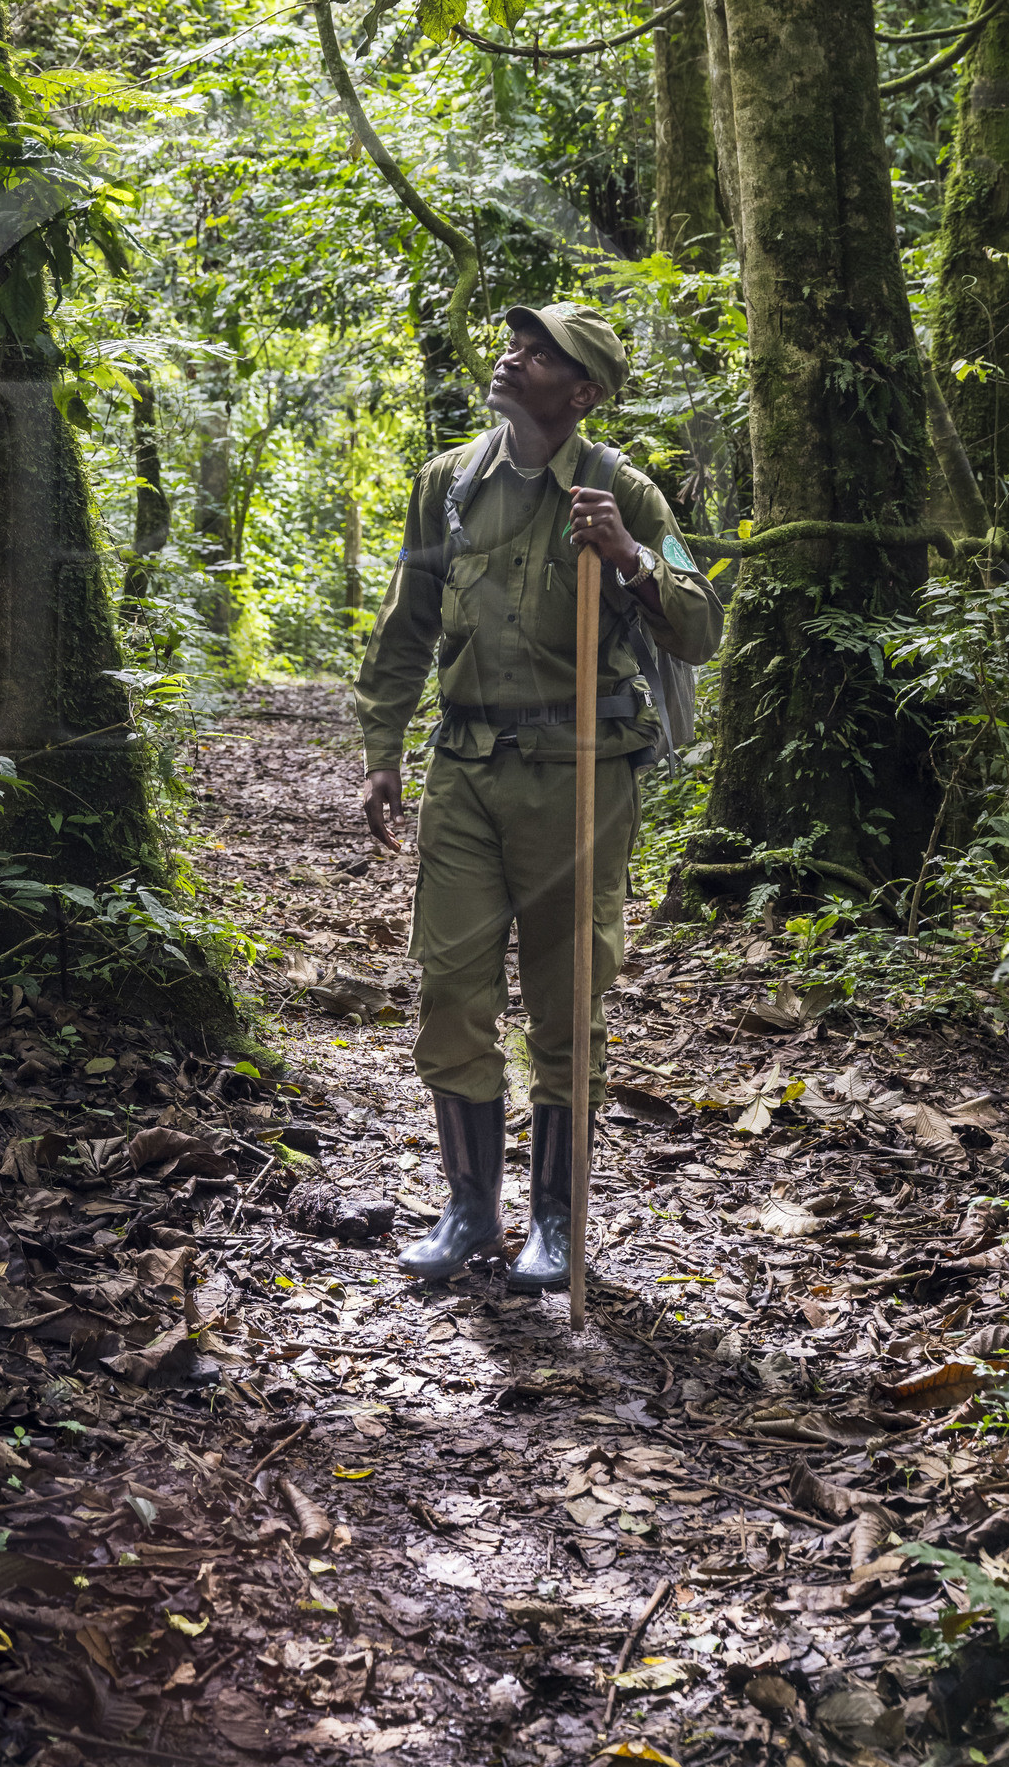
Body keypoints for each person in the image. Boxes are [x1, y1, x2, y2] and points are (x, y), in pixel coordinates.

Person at [354, 303, 725, 1290]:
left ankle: (554, 1224)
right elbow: (405, 625)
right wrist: (381, 748)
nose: (512, 360)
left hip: (583, 779)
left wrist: (633, 559)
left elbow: (704, 622)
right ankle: (470, 1208)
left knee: (567, 1003)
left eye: (538, 355)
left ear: (583, 393)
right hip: (467, 774)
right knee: (449, 991)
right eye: (515, 346)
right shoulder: (445, 486)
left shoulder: (628, 492)